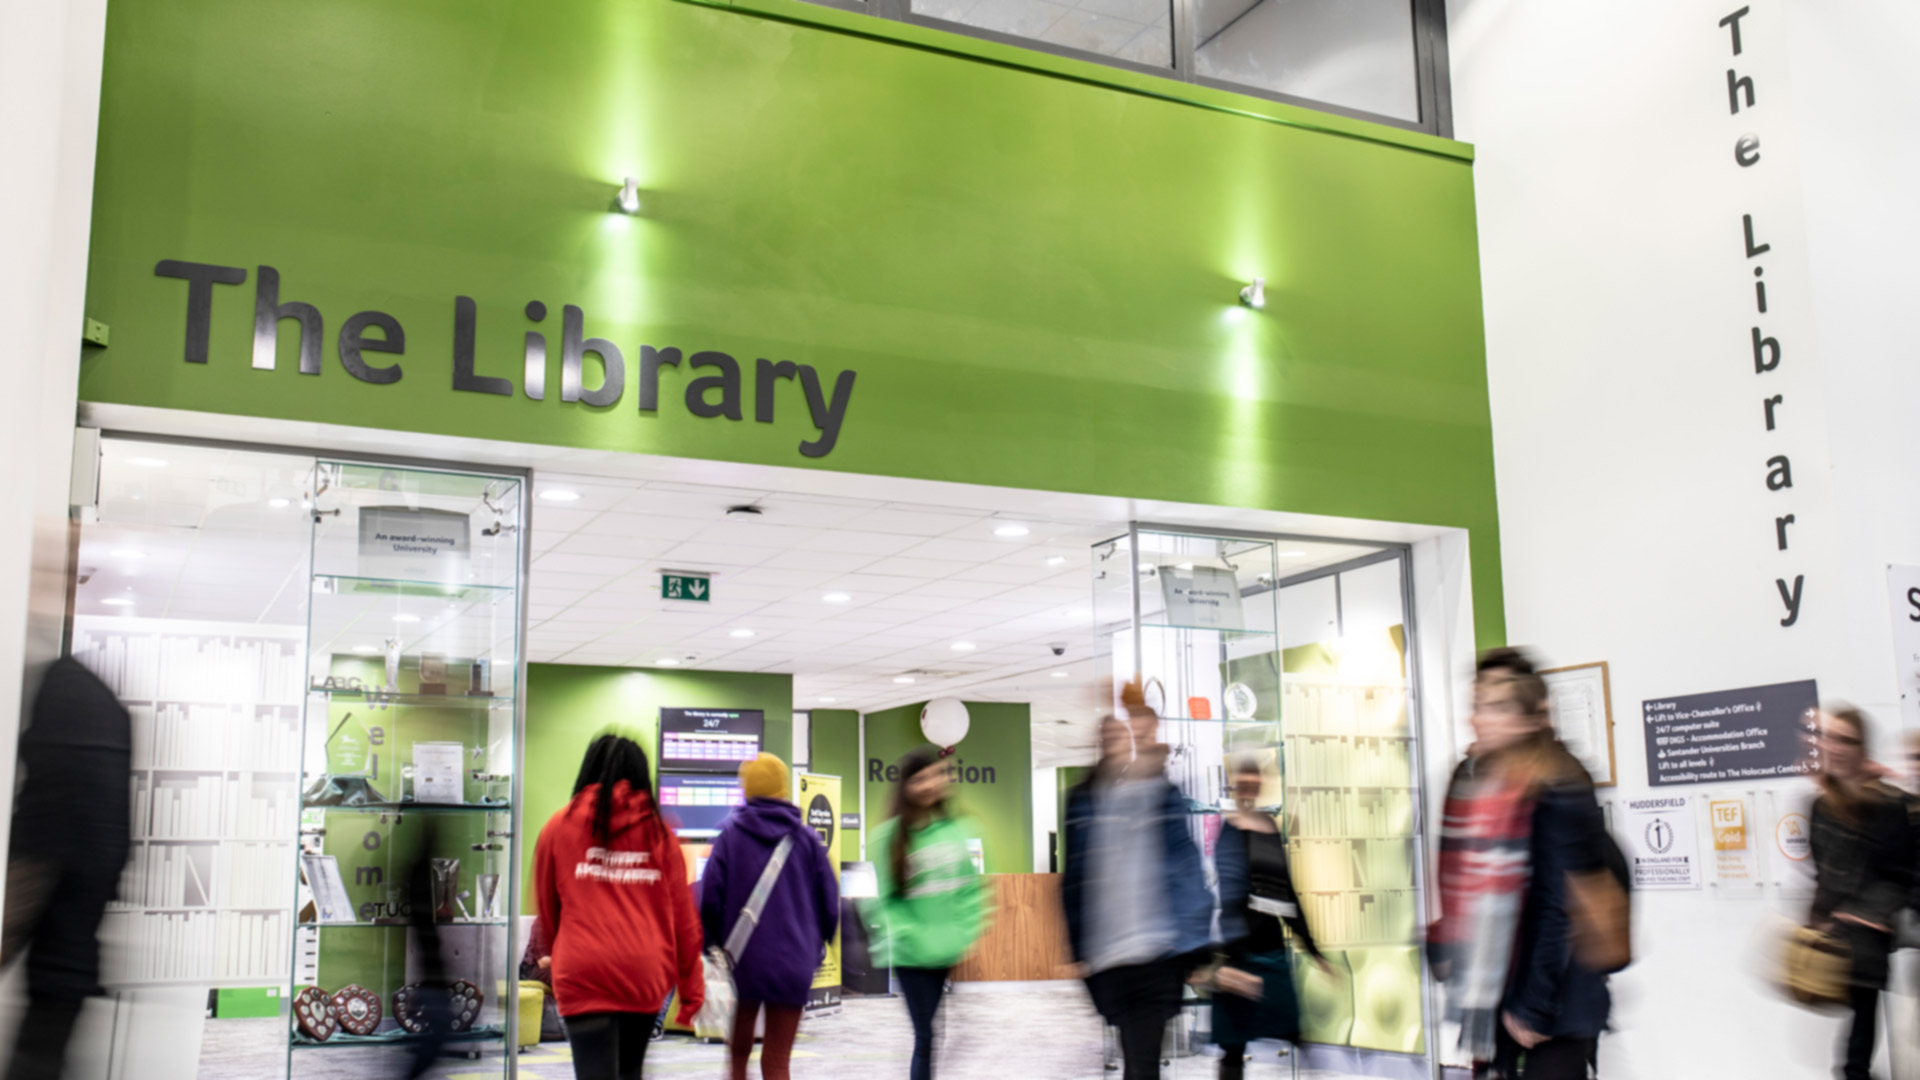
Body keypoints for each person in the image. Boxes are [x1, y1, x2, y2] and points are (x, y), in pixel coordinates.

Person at [1432, 649, 1611, 1080]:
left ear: (1532, 715)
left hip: (1551, 1003)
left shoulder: (1558, 780)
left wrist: (1533, 1006)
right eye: (1478, 704)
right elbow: (1464, 882)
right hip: (1497, 991)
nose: (1479, 718)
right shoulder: (1474, 780)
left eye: (1496, 706)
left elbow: (1558, 903)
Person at [1061, 687, 1214, 1080]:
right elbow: (1074, 880)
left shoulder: (1161, 795)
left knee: (1142, 1061)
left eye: (1128, 734)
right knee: (1136, 1056)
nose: (1123, 740)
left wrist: (1195, 947)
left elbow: (1186, 867)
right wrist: (1077, 947)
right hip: (1108, 955)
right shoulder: (1083, 801)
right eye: (1110, 736)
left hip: (1156, 951)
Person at [534, 733, 704, 1080]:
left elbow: (546, 905)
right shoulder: (660, 834)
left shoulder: (558, 826)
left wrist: (556, 951)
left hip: (583, 969)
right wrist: (691, 992)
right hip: (642, 971)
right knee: (630, 1072)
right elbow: (683, 920)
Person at [1, 656, 132, 1080]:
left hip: (58, 970)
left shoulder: (67, 693)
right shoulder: (96, 701)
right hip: (69, 967)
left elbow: (31, 869)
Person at [700, 753, 840, 1080]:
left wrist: (712, 946)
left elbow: (710, 899)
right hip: (793, 964)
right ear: (783, 788)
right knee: (777, 1061)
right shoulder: (806, 839)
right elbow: (830, 902)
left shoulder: (729, 836)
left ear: (745, 788)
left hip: (741, 962)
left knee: (737, 1056)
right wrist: (816, 947)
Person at [866, 746, 987, 1080]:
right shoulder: (888, 837)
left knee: (934, 1033)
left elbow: (969, 888)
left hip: (944, 951)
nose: (930, 785)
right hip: (912, 955)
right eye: (920, 779)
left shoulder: (953, 832)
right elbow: (881, 902)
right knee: (926, 1035)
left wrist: (964, 932)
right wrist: (910, 934)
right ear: (906, 786)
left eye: (935, 776)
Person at [1808, 705, 1911, 1080]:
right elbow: (1821, 870)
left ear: (1861, 747)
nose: (1834, 747)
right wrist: (1819, 919)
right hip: (1834, 936)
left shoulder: (1888, 803)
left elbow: (1902, 874)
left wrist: (1870, 913)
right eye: (1829, 737)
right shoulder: (1820, 805)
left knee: (1857, 1043)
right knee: (1855, 1037)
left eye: (1845, 740)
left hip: (1869, 936)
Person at [1211, 752, 1327, 1080]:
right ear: (1235, 787)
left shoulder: (1268, 828)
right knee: (1233, 1045)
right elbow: (1231, 895)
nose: (1248, 789)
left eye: (1253, 783)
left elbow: (1286, 891)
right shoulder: (1230, 831)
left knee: (1292, 1030)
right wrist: (1233, 959)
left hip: (1269, 946)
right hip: (1240, 949)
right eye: (1243, 783)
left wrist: (1313, 948)